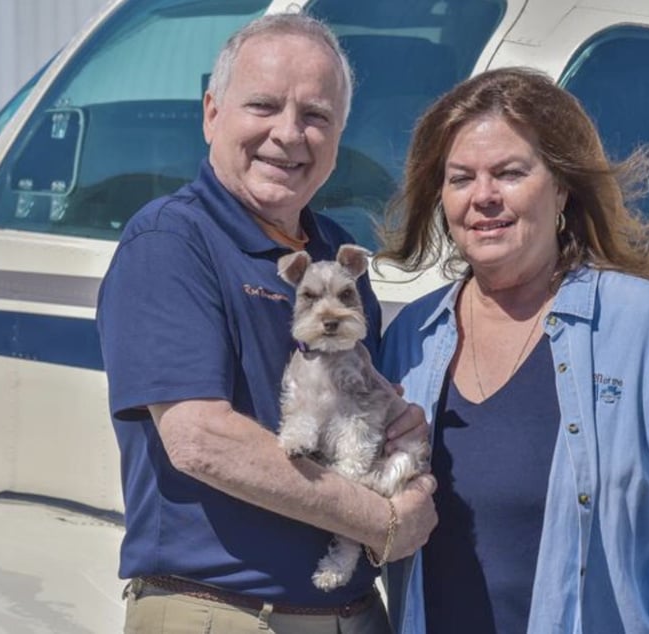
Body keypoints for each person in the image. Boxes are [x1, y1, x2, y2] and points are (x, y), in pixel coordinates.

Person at [376, 67, 649, 634]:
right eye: (461, 178)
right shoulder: (411, 337)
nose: (483, 197)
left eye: (510, 173)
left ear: (562, 187)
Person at [96, 13, 437, 634]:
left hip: (354, 613)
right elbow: (200, 440)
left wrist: (404, 448)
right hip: (224, 611)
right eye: (263, 105)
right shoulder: (171, 240)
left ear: (338, 136)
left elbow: (365, 403)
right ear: (212, 114)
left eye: (316, 115)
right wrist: (382, 521)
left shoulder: (335, 253)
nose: (288, 134)